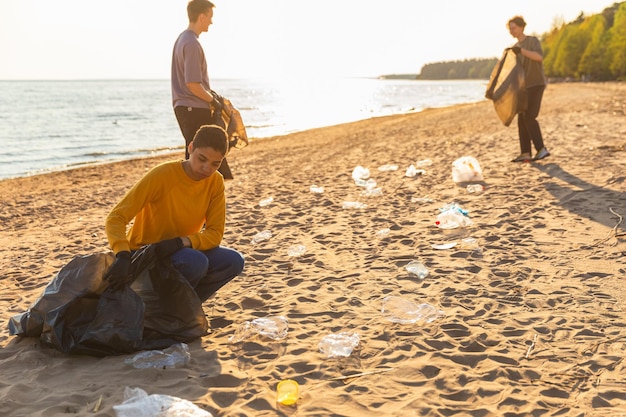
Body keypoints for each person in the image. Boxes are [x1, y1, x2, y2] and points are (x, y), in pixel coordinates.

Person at [104, 124, 244, 302]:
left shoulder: (215, 182)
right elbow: (116, 217)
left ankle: (187, 307)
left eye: (215, 163)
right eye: (202, 159)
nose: (206, 168)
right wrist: (122, 255)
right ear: (191, 148)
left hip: (180, 250)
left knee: (234, 261)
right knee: (196, 262)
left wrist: (181, 242)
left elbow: (215, 234)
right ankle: (161, 307)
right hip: (145, 253)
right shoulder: (162, 175)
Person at [171, 0, 234, 179]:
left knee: (196, 158)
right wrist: (212, 100)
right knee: (203, 157)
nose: (211, 22)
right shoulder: (191, 43)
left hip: (187, 107)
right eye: (210, 17)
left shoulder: (183, 39)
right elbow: (192, 84)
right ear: (201, 17)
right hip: (193, 108)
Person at [507, 16, 550, 163]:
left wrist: (521, 51)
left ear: (521, 27)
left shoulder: (532, 41)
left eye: (513, 28)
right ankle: (525, 153)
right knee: (521, 119)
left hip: (536, 84)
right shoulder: (515, 48)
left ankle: (541, 149)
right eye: (510, 29)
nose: (511, 31)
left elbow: (538, 57)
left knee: (530, 117)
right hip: (524, 87)